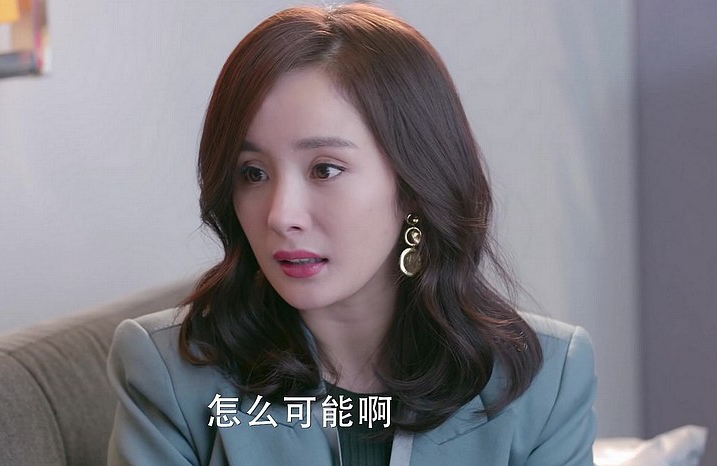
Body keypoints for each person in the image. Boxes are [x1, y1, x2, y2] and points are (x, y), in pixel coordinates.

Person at [106, 3, 597, 465]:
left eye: (325, 169)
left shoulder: (543, 379)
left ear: (414, 183)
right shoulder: (170, 372)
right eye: (253, 173)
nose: (281, 215)